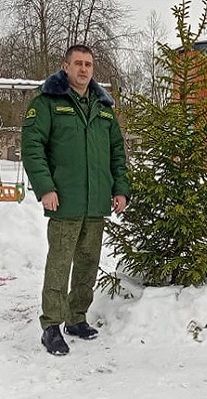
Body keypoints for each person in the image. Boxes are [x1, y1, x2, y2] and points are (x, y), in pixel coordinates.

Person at [22, 44, 129, 355]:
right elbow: (32, 148)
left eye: (89, 64)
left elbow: (117, 153)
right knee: (59, 264)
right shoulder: (47, 102)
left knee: (87, 263)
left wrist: (119, 189)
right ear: (65, 66)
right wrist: (45, 188)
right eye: (78, 63)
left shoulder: (103, 106)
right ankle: (51, 327)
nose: (84, 69)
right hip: (64, 200)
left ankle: (76, 318)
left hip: (96, 201)